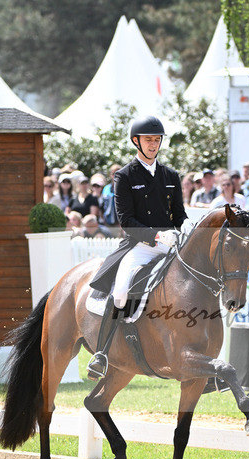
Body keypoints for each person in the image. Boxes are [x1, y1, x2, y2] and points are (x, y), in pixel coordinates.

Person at [87, 115, 192, 380]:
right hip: (140, 245)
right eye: (148, 140)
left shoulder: (171, 176)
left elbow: (179, 214)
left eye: (157, 140)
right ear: (136, 141)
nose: (153, 144)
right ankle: (101, 353)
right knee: (121, 291)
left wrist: (186, 226)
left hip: (171, 245)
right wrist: (157, 236)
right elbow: (127, 221)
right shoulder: (124, 176)